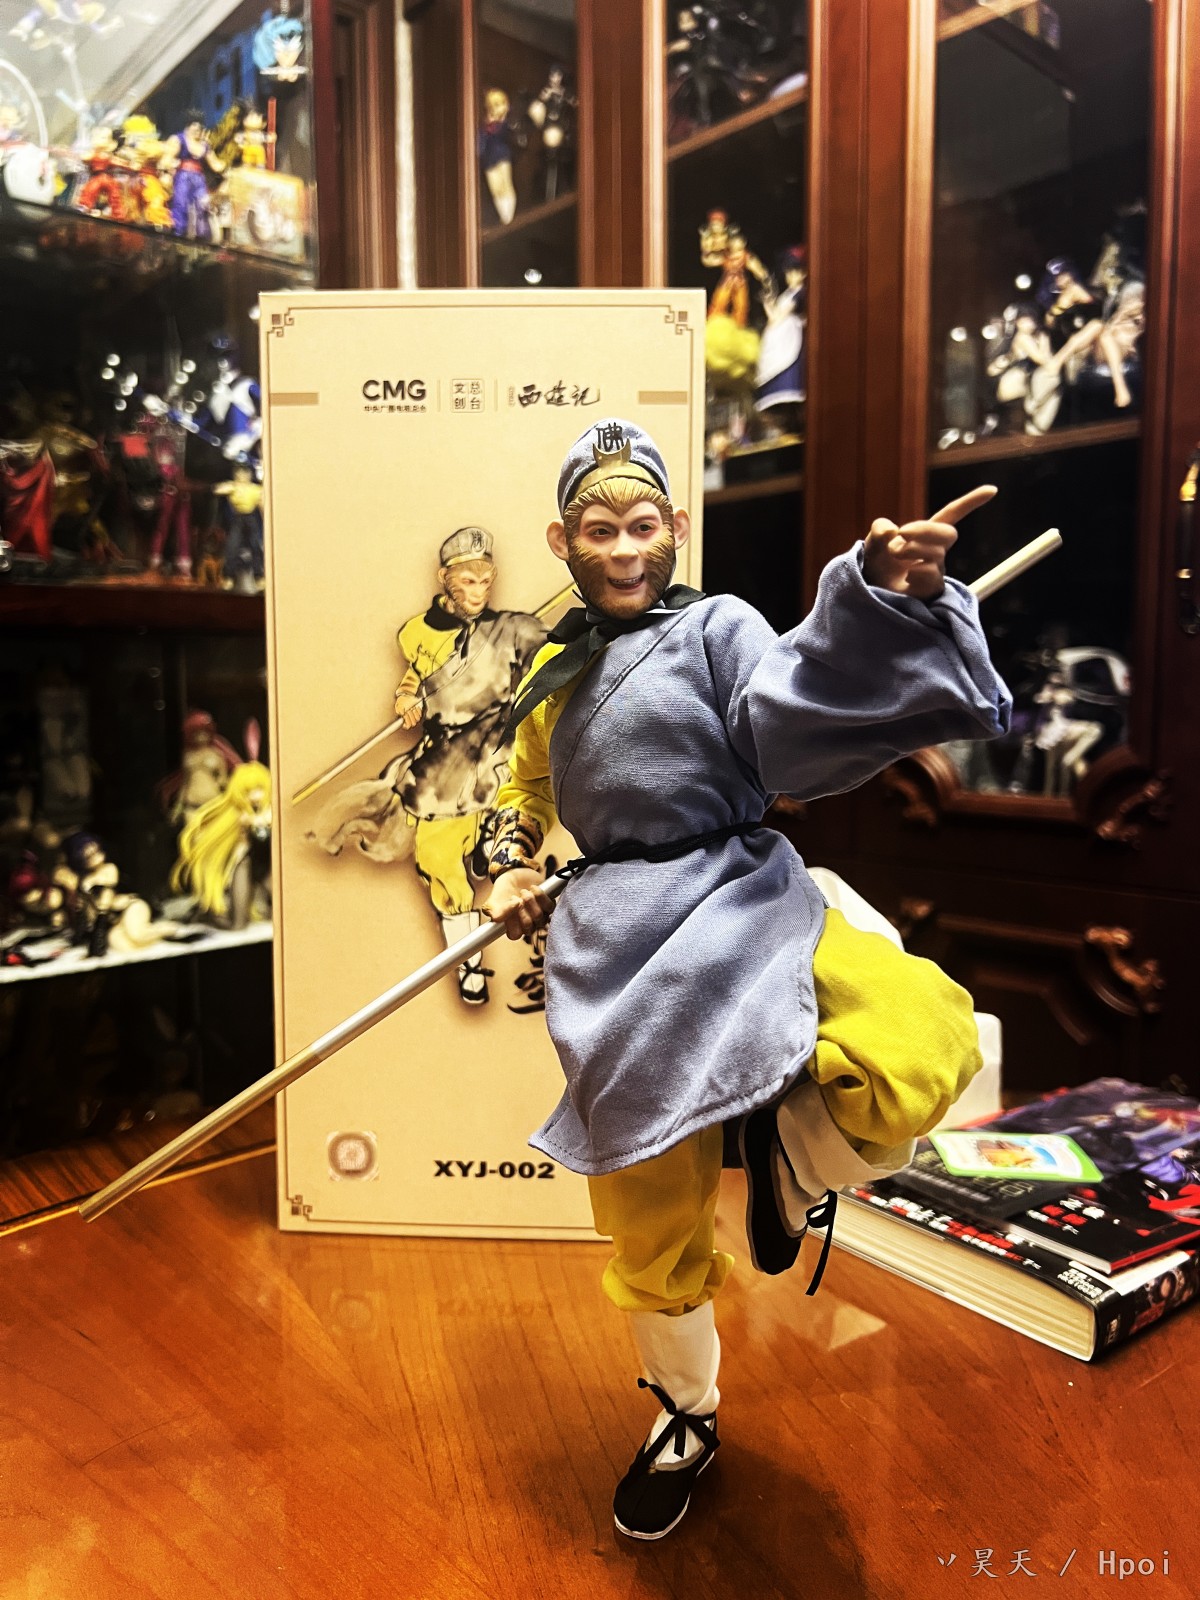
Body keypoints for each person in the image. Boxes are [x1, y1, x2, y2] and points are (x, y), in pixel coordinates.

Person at [483, 417, 1012, 1541]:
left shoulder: (718, 626)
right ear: (562, 541)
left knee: (924, 1035)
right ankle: (686, 1411)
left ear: (676, 526)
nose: (624, 550)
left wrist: (880, 599)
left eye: (642, 524)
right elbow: (520, 794)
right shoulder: (550, 668)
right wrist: (511, 869)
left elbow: (789, 706)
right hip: (616, 940)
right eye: (597, 530)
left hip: (738, 892)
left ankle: (788, 1157)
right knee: (646, 1208)